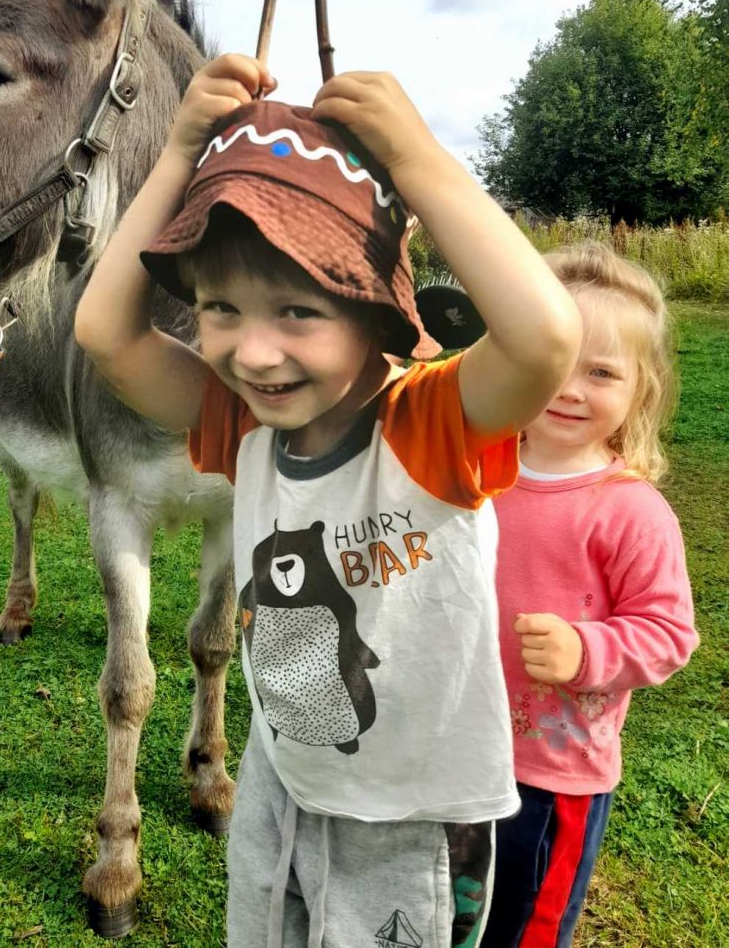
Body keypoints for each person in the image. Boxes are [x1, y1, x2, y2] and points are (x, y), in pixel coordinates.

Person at [74, 53, 581, 948]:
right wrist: (179, 149)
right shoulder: (244, 425)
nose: (254, 353)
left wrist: (418, 161)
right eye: (221, 307)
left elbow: (543, 339)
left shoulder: (431, 424)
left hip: (411, 816)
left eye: (299, 311)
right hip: (280, 776)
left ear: (373, 308)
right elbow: (104, 332)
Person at [481, 243, 699, 948]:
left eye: (601, 371)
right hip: (457, 754)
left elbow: (669, 633)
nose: (571, 388)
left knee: (524, 930)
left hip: (551, 780)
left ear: (643, 389)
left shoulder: (630, 511)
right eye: (555, 362)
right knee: (455, 918)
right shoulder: (476, 471)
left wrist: (586, 647)